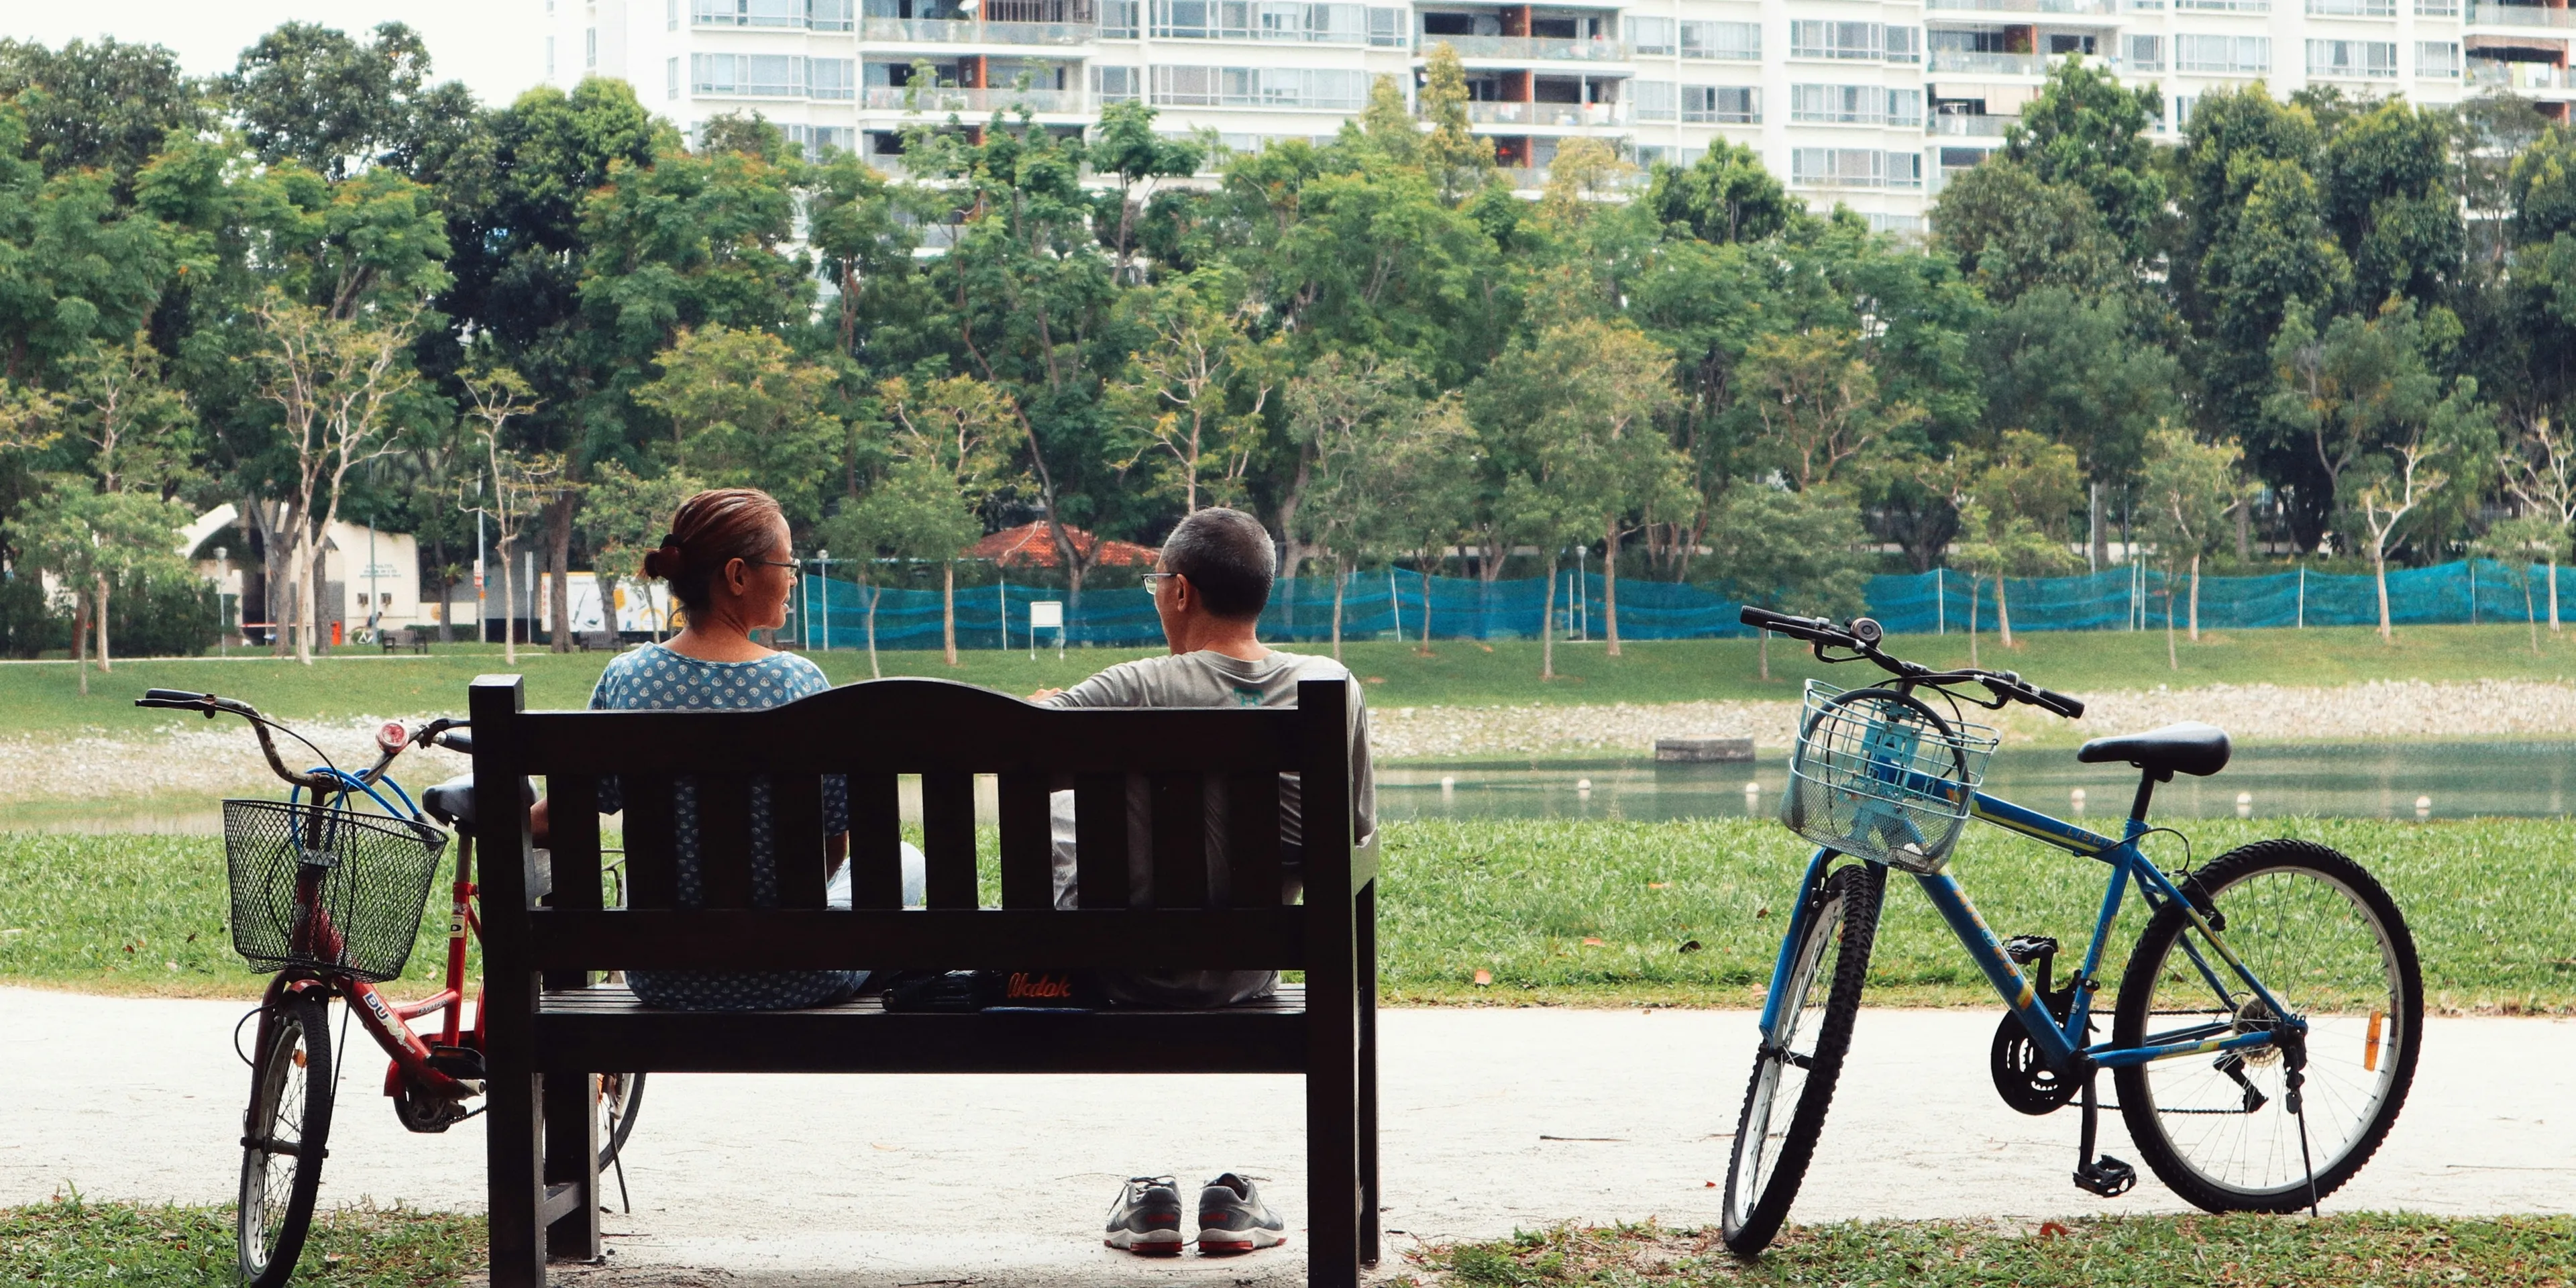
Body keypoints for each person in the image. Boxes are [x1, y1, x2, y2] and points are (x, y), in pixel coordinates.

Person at [1035, 506, 1375, 1256]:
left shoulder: (1130, 686)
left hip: (1116, 969)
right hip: (1248, 970)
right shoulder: (1330, 685)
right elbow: (1353, 841)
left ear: (1181, 592)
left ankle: (1144, 1211)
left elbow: (1012, 747)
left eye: (1158, 582)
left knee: (1067, 814)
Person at [531, 486, 904, 1010]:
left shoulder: (629, 679)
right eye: (787, 562)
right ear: (737, 576)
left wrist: (507, 815)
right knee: (906, 862)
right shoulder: (801, 684)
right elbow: (835, 840)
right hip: (798, 973)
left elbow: (566, 814)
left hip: (663, 976)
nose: (793, 575)